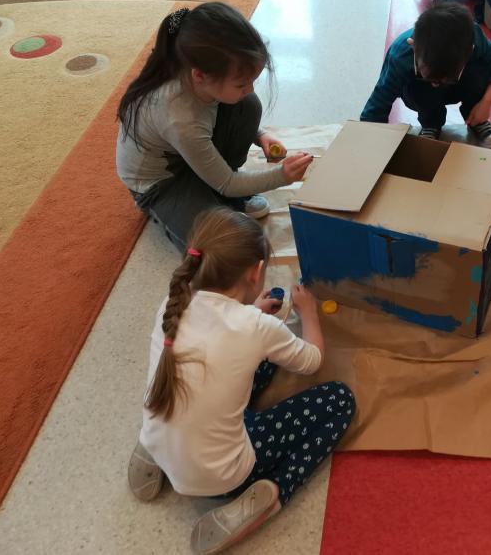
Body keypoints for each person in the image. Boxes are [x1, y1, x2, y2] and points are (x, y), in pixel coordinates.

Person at [127, 207, 355, 554]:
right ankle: (271, 494)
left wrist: (252, 315)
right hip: (225, 476)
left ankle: (152, 449)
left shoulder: (173, 302)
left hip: (160, 443)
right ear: (256, 272)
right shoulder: (256, 327)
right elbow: (312, 361)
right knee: (340, 400)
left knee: (220, 370)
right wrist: (309, 314)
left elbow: (219, 334)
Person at [116, 2, 312, 251]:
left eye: (252, 80)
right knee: (223, 246)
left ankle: (216, 190)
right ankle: (201, 199)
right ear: (200, 76)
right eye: (241, 84)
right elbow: (227, 183)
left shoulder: (198, 76)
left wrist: (259, 135)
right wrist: (282, 176)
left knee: (247, 105)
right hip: (163, 183)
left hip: (189, 154)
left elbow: (213, 121)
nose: (250, 88)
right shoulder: (180, 117)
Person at [360, 0, 491, 148]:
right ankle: (431, 124)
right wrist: (370, 145)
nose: (437, 84)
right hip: (421, 93)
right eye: (431, 77)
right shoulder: (400, 57)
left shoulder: (472, 37)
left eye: (447, 77)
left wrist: (485, 102)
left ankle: (476, 119)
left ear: (470, 49)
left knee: (479, 70)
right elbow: (376, 107)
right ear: (413, 45)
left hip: (460, 87)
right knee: (421, 89)